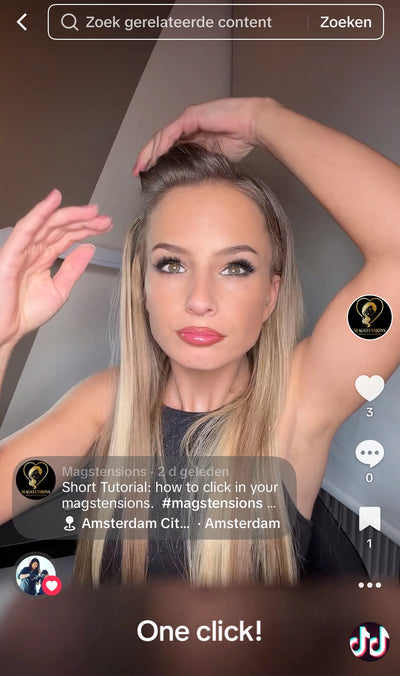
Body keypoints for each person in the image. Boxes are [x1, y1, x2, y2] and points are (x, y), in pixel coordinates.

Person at [0, 97, 399, 586]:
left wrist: (259, 119)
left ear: (270, 295)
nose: (199, 300)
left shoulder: (299, 401)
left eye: (235, 267)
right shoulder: (107, 401)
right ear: (142, 285)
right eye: (172, 264)